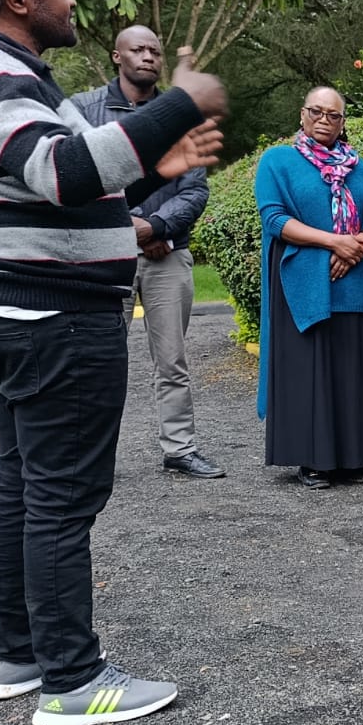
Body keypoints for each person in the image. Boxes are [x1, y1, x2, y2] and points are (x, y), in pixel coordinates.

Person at [0, 0, 226, 725]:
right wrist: (182, 102)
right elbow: (62, 174)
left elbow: (63, 170)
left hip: (25, 313)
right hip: (52, 318)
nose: (73, 0)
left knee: (24, 483)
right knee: (61, 497)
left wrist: (151, 166)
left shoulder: (6, 73)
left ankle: (21, 653)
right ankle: (73, 680)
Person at [73, 26, 225, 481]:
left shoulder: (181, 113)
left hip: (167, 256)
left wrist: (157, 227)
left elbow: (194, 188)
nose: (148, 57)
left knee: (172, 359)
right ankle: (88, 456)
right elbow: (82, 178)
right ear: (116, 55)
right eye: (138, 49)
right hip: (104, 258)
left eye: (155, 51)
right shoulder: (85, 111)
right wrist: (132, 227)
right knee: (97, 359)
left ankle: (180, 449)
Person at [257, 87, 363, 490]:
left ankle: (356, 456)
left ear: (342, 122)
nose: (324, 120)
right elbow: (275, 219)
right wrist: (335, 242)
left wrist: (361, 243)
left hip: (354, 283)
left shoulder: (359, 168)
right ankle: (313, 461)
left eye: (333, 115)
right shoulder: (278, 161)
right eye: (316, 111)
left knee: (352, 371)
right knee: (311, 371)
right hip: (304, 282)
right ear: (302, 115)